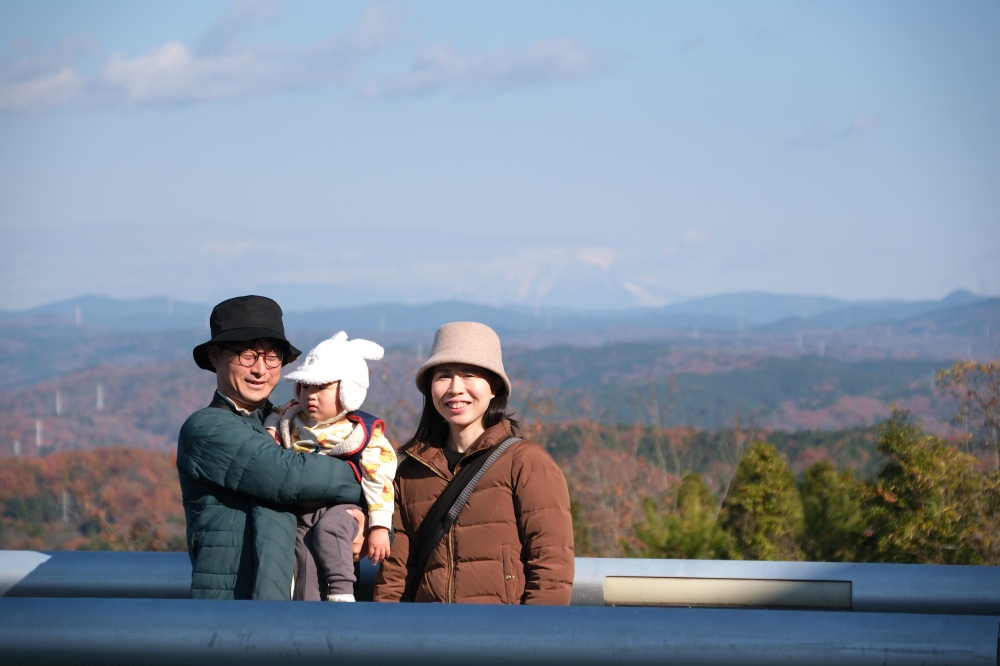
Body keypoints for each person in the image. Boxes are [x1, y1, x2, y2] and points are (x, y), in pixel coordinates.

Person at [176, 295, 364, 600]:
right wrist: (363, 475)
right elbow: (290, 477)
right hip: (235, 609)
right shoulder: (206, 430)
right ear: (215, 357)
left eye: (272, 356)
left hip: (302, 601)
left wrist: (360, 517)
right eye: (248, 355)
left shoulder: (290, 424)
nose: (260, 369)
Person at [374, 321, 574, 604]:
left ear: (494, 387)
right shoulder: (410, 473)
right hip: (430, 630)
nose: (455, 388)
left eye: (469, 375)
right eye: (443, 376)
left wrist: (532, 630)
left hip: (503, 628)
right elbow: (395, 575)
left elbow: (551, 568)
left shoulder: (526, 462)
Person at [264, 331, 397, 602]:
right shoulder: (291, 416)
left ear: (348, 390)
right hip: (303, 511)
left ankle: (342, 592)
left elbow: (380, 480)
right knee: (303, 556)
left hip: (343, 509)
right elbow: (275, 413)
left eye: (321, 387)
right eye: (305, 387)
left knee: (332, 529)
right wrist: (270, 431)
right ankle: (308, 609)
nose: (310, 396)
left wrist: (380, 527)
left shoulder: (362, 433)